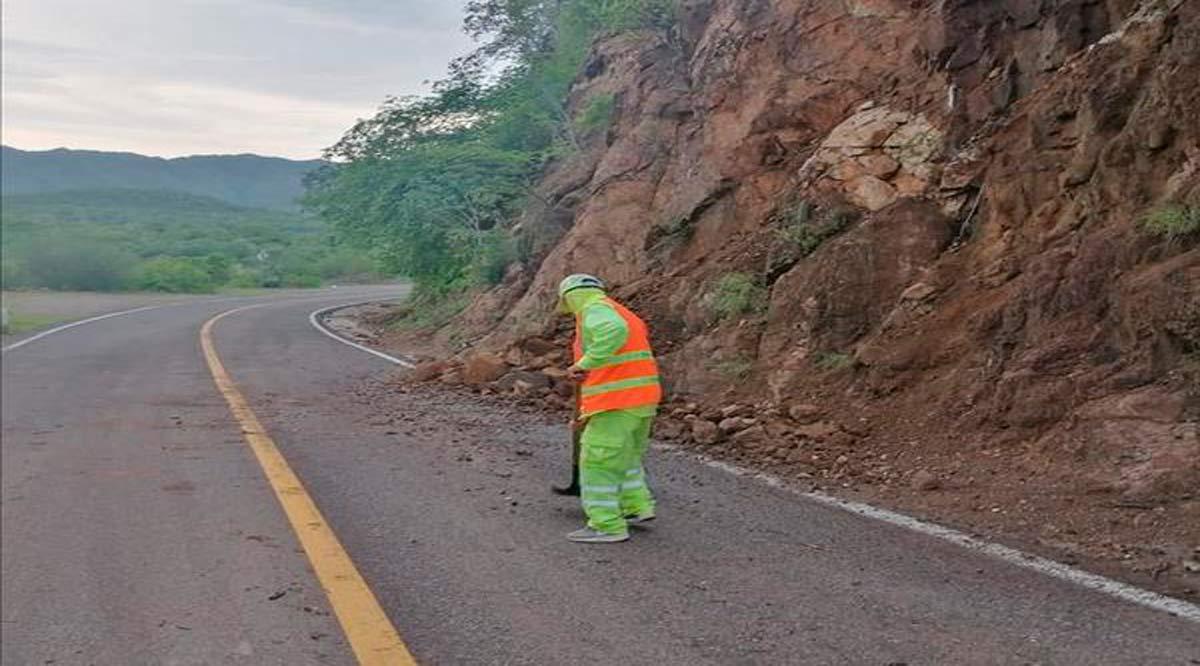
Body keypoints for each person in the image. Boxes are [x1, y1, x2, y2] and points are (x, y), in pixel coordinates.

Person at [557, 274, 662, 543]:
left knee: (598, 461)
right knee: (625, 457)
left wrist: (585, 363)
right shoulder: (624, 312)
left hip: (616, 400)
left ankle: (606, 525)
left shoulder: (595, 310)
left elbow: (612, 332)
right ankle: (635, 507)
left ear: (572, 296)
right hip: (641, 397)